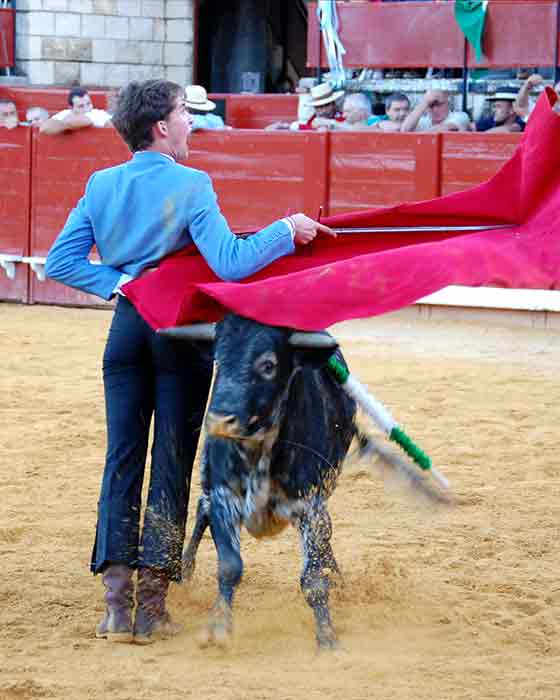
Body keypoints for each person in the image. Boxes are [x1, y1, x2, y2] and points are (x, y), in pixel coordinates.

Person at [44, 79, 334, 645]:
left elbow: (60, 261)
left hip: (126, 334)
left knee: (121, 459)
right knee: (172, 462)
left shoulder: (101, 183)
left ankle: (115, 610)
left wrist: (122, 282)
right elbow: (230, 263)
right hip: (178, 334)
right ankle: (152, 609)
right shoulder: (192, 182)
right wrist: (286, 228)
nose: (191, 122)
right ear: (160, 126)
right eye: (184, 114)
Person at [40, 87, 112, 135]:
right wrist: (69, 124)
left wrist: (62, 126)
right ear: (71, 108)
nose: (87, 109)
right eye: (81, 106)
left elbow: (113, 127)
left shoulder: (98, 114)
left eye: (88, 104)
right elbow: (44, 128)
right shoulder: (66, 113)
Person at [401, 89, 470, 132]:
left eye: (439, 104)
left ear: (448, 103)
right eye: (430, 105)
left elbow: (444, 129)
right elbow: (405, 130)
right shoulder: (423, 121)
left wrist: (417, 135)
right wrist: (424, 103)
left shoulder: (460, 116)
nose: (435, 109)